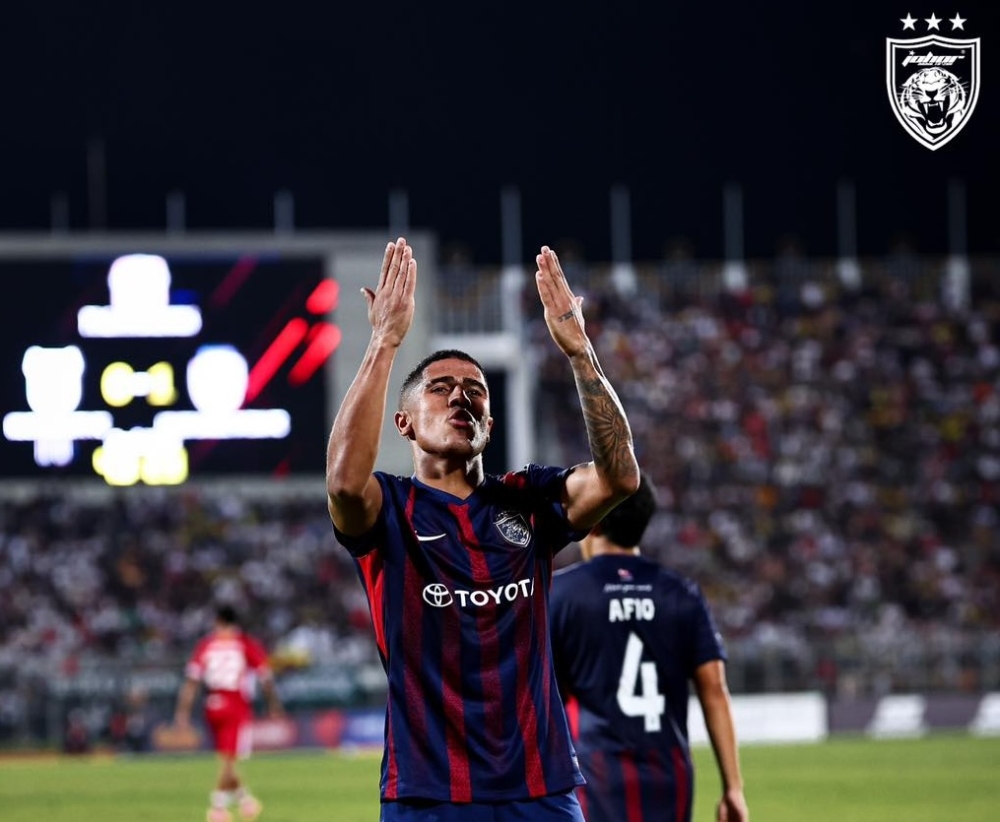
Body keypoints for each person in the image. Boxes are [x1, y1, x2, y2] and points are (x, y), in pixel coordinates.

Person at [326, 237, 640, 821]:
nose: (461, 398)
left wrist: (580, 353)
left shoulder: (527, 500)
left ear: (489, 425)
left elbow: (620, 478)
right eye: (441, 390)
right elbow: (343, 484)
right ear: (406, 424)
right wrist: (385, 340)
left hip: (539, 788)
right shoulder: (388, 510)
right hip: (427, 792)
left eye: (475, 392)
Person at [549, 472, 749, 822]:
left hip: (595, 771)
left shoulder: (561, 594)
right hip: (668, 773)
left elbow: (543, 692)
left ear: (593, 520)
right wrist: (733, 788)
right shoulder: (681, 593)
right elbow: (714, 690)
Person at [173, 604, 285, 822]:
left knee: (226, 756)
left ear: (218, 622)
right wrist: (273, 704)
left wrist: (182, 712)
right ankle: (217, 807)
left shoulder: (207, 644)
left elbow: (191, 681)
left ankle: (245, 800)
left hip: (212, 703)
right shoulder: (244, 643)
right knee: (229, 760)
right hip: (236, 704)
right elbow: (265, 677)